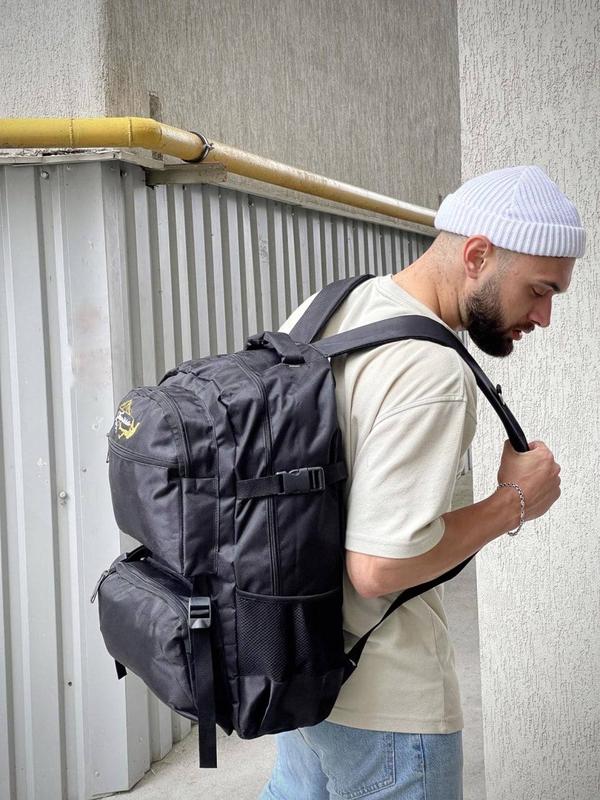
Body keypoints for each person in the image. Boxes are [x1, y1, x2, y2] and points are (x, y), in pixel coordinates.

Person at [258, 165, 586, 800]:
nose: (544, 317)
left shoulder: (335, 305)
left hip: (301, 668)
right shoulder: (431, 371)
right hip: (386, 706)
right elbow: (379, 567)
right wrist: (515, 502)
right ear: (477, 256)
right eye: (539, 290)